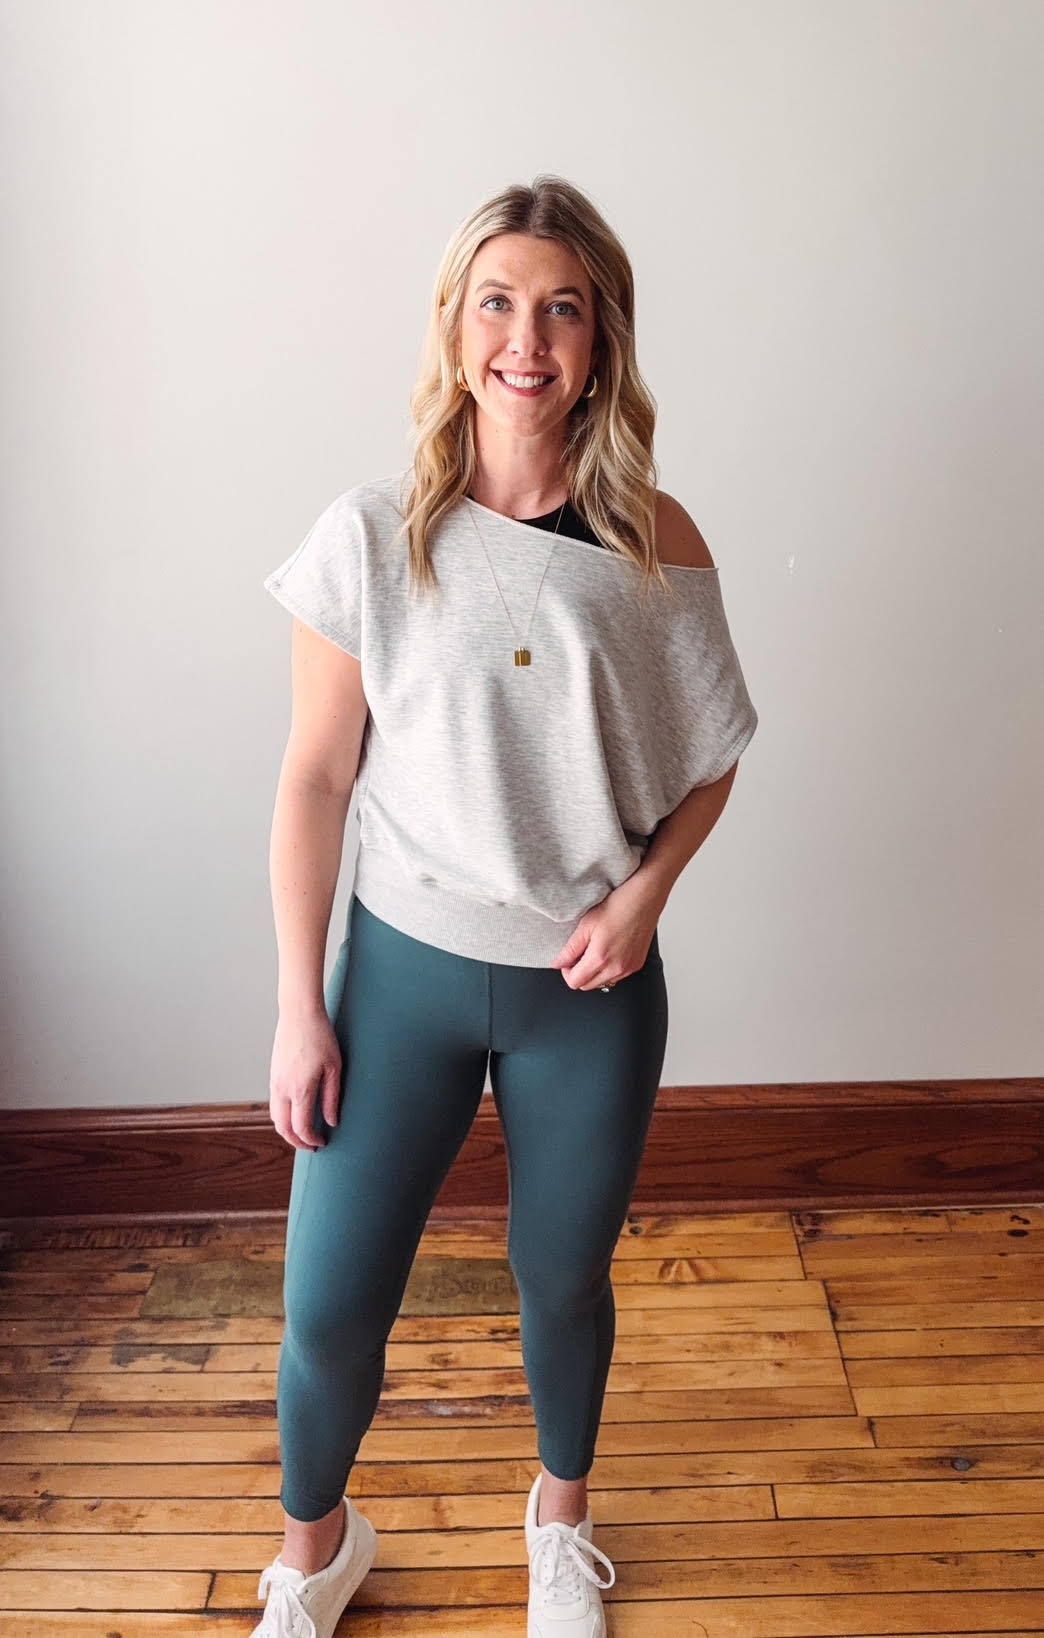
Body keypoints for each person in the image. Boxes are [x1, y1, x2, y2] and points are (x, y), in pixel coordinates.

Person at [252, 173, 758, 1638]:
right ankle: (316, 1551)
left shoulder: (654, 539)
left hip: (583, 994)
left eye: (561, 310)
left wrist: (647, 897)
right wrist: (298, 1004)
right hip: (396, 978)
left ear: (600, 341)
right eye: (496, 302)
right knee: (329, 1303)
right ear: (454, 324)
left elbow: (716, 759)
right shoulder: (371, 536)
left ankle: (559, 1522)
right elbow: (313, 781)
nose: (524, 340)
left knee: (562, 1281)